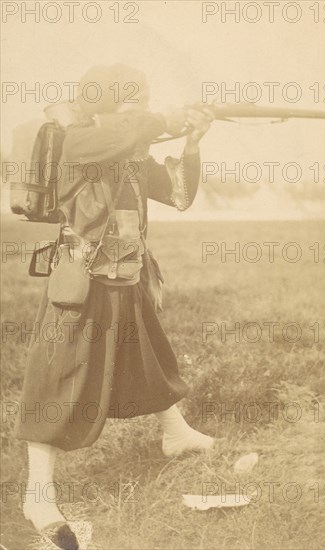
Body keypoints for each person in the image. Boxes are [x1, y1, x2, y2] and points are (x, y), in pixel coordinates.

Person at [14, 64, 215, 550]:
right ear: (102, 106)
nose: (139, 113)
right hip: (83, 284)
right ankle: (37, 495)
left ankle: (177, 433)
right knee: (59, 380)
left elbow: (181, 195)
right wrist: (166, 120)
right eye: (131, 104)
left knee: (150, 357)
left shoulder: (128, 151)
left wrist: (191, 140)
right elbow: (122, 134)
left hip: (128, 276)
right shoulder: (76, 142)